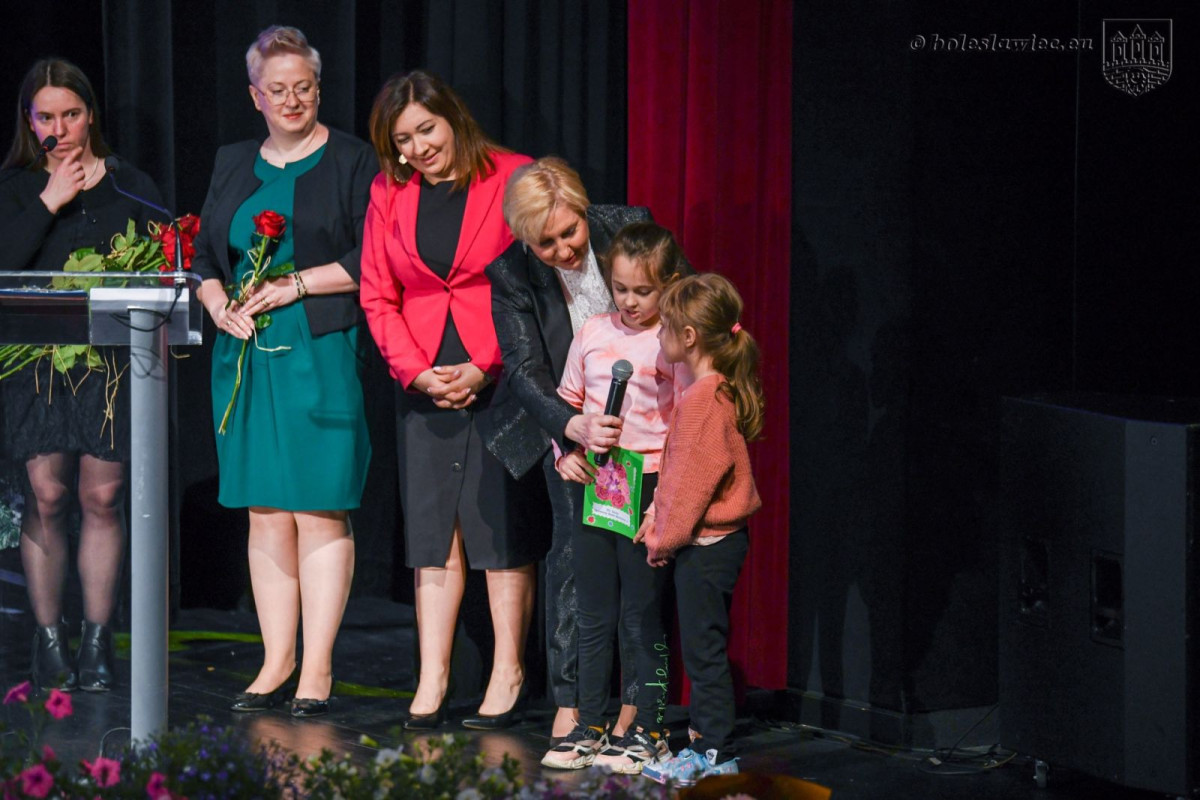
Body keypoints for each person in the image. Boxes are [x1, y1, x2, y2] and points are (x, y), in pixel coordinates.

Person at [191, 26, 374, 718]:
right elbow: (207, 254)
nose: (292, 99)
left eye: (304, 87)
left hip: (319, 350)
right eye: (279, 89)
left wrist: (296, 286)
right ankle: (276, 660)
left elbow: (373, 259)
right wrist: (215, 302)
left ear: (318, 89)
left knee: (316, 508)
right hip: (244, 355)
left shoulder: (353, 160)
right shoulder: (234, 160)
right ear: (255, 96)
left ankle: (318, 667)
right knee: (265, 511)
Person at [359, 69, 541, 731]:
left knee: (498, 526)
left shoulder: (515, 175)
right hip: (426, 382)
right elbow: (378, 295)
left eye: (425, 130)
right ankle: (432, 676)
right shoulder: (388, 191)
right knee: (434, 536)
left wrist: (488, 362)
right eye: (402, 139)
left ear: (452, 118)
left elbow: (537, 283)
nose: (416, 148)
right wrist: (415, 371)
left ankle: (508, 670)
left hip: (504, 377)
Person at [0, 58, 168, 692]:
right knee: (47, 497)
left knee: (102, 498)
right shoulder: (16, 188)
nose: (60, 128)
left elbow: (163, 266)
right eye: (46, 116)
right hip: (35, 365)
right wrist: (50, 200)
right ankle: (50, 642)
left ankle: (98, 641)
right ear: (30, 121)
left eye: (71, 114)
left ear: (90, 114)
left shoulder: (132, 185)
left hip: (112, 367)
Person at [484, 157, 649, 741]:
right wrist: (567, 432)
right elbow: (526, 370)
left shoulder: (629, 228)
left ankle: (635, 703)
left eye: (569, 232)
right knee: (575, 557)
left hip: (644, 420)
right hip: (568, 426)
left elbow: (676, 312)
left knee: (639, 561)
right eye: (545, 242)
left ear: (583, 211)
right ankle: (574, 700)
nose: (563, 249)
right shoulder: (509, 273)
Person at [540, 222, 692, 773]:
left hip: (649, 484)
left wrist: (665, 498)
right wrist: (566, 449)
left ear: (668, 285)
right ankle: (590, 724)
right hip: (599, 483)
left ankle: (649, 727)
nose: (629, 301)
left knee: (642, 612)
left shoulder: (674, 340)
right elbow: (565, 401)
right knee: (594, 610)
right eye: (621, 288)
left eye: (642, 291)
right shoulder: (594, 333)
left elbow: (685, 423)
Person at [637, 273, 764, 787]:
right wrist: (656, 517)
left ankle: (716, 755)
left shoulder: (702, 400)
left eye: (665, 324)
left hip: (708, 546)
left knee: (705, 654)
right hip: (713, 543)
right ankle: (704, 745)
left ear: (688, 337)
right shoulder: (709, 391)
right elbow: (680, 479)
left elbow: (689, 486)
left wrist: (661, 540)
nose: (659, 333)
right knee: (702, 649)